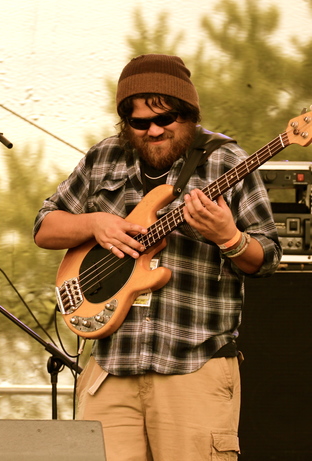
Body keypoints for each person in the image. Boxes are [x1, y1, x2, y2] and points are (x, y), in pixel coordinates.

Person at [33, 54, 281, 460]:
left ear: (189, 114)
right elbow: (45, 227)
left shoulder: (227, 161)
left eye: (165, 119)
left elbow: (266, 257)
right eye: (139, 122)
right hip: (112, 366)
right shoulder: (103, 157)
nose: (153, 130)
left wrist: (228, 236)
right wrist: (95, 223)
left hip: (194, 366)